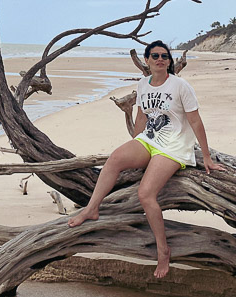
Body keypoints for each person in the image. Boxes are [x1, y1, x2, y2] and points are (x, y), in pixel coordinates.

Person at [68, 39, 225, 278]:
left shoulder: (181, 86)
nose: (160, 59)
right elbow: (142, 117)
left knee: (145, 194)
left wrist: (206, 156)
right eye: (155, 56)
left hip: (173, 146)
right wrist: (135, 142)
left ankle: (163, 250)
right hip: (150, 140)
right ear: (147, 61)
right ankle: (91, 209)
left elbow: (195, 121)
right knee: (113, 160)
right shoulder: (143, 84)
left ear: (170, 61)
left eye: (164, 56)